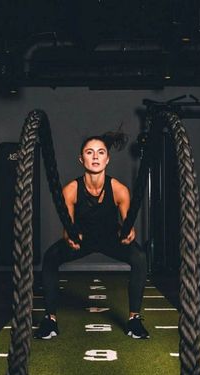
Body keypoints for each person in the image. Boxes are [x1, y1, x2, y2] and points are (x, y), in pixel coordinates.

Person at [34, 132, 149, 340]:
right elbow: (67, 225)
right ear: (81, 159)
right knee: (50, 257)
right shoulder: (70, 190)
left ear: (107, 159)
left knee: (140, 257)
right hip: (82, 240)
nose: (95, 157)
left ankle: (134, 319)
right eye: (89, 152)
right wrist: (70, 236)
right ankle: (50, 320)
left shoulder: (120, 190)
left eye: (100, 152)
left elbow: (128, 225)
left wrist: (128, 234)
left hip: (111, 240)